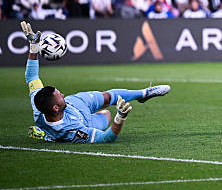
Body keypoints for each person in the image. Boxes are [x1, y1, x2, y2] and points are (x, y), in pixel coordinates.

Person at [21, 21, 171, 143]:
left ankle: (143, 93)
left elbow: (32, 77)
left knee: (107, 97)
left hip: (77, 103)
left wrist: (33, 47)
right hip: (84, 121)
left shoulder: (38, 102)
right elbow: (106, 138)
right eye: (59, 96)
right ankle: (49, 135)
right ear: (55, 108)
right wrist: (120, 118)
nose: (63, 94)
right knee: (107, 115)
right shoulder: (72, 130)